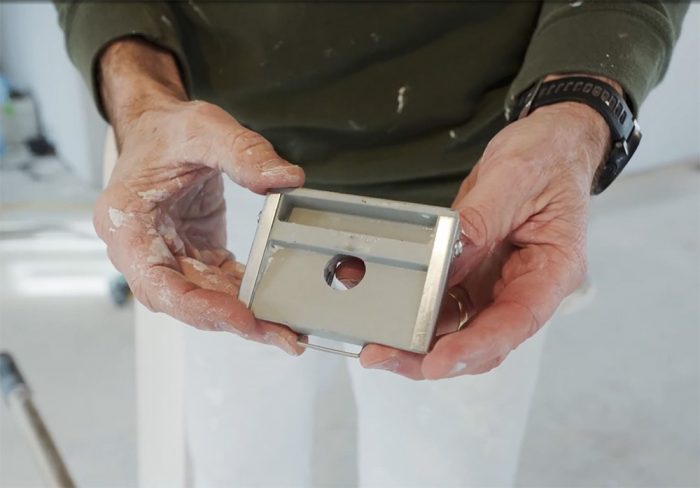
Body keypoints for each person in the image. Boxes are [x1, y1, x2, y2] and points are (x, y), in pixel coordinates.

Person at [56, 2, 687, 486]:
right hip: (209, 163)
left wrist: (578, 113)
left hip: (485, 184)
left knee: (445, 465)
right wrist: (141, 99)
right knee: (238, 450)